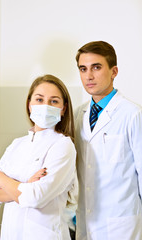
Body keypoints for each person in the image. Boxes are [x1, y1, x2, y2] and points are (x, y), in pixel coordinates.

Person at [0, 74, 77, 240]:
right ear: (29, 104)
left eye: (54, 101)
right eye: (39, 100)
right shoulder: (16, 144)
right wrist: (25, 186)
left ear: (63, 109)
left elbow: (36, 197)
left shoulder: (63, 145)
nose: (46, 106)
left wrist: (3, 181)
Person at [74, 41, 142, 240]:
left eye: (96, 67)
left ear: (114, 71)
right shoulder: (79, 115)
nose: (89, 76)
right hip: (86, 222)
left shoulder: (133, 114)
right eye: (83, 69)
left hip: (122, 225)